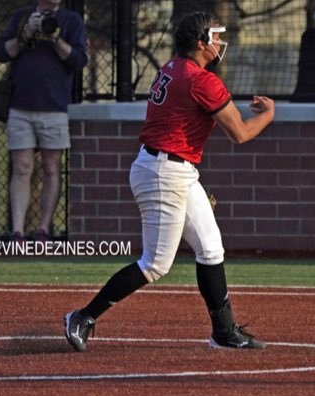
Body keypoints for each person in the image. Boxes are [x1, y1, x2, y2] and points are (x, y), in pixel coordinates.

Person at [64, 11, 275, 352]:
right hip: (166, 171)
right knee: (156, 263)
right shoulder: (201, 79)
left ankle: (224, 331)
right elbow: (239, 132)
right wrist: (268, 115)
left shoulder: (174, 67)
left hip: (171, 167)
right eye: (214, 36)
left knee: (210, 247)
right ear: (199, 42)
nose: (219, 42)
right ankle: (83, 316)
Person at [0, 0, 87, 242]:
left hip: (55, 107)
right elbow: (3, 53)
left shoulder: (70, 20)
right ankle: (17, 231)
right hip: (20, 105)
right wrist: (27, 32)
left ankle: (43, 229)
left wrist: (55, 38)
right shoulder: (21, 17)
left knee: (50, 167)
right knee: (22, 167)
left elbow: (79, 60)